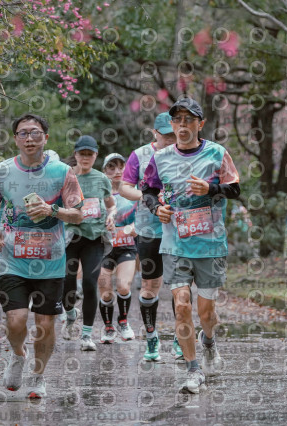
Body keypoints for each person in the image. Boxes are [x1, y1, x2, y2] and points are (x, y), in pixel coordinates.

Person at [0, 113, 84, 399]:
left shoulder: (63, 172)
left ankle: (38, 375)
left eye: (35, 133)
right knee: (15, 321)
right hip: (11, 258)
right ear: (15, 139)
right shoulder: (1, 171)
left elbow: (78, 215)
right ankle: (17, 355)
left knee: (45, 324)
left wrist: (53, 210)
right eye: (23, 133)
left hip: (50, 261)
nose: (29, 138)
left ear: (45, 138)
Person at [141, 98, 240, 393]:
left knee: (207, 314)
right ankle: (193, 370)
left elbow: (235, 188)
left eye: (188, 119)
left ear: (200, 124)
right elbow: (148, 191)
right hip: (175, 244)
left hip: (210, 245)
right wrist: (156, 208)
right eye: (177, 120)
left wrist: (211, 188)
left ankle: (208, 341)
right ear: (172, 125)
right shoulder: (160, 158)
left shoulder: (217, 153)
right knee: (182, 305)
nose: (182, 125)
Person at [121, 112, 181, 362]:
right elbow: (124, 187)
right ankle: (151, 336)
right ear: (154, 133)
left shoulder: (186, 153)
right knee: (149, 286)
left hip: (179, 229)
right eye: (165, 135)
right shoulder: (140, 155)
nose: (170, 140)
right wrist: (148, 196)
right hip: (148, 230)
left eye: (173, 135)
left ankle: (181, 337)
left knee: (180, 286)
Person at [61, 135, 116, 351]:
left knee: (90, 284)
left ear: (95, 156)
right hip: (71, 237)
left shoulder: (101, 179)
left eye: (89, 154)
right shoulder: (66, 177)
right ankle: (70, 313)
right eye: (81, 154)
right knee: (67, 280)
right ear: (75, 155)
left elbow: (111, 204)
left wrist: (111, 216)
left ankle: (86, 335)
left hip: (94, 237)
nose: (85, 158)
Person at [98, 153, 138, 343]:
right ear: (104, 171)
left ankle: (123, 321)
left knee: (123, 286)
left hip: (127, 246)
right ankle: (108, 327)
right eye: (111, 167)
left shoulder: (133, 192)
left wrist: (136, 228)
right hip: (103, 247)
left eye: (121, 167)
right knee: (105, 291)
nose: (117, 171)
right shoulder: (99, 194)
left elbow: (145, 217)